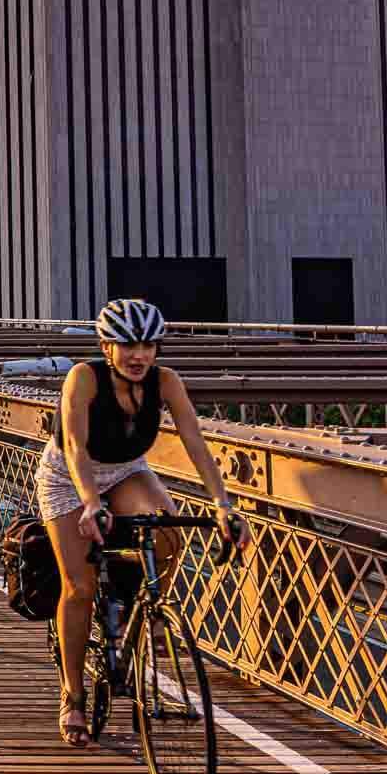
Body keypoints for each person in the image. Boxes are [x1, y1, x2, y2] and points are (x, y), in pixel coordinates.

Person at [40, 298, 243, 748]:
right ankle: (72, 694)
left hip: (128, 469)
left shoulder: (166, 382)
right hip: (70, 478)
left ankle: (138, 610)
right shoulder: (84, 377)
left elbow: (195, 442)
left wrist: (222, 503)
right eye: (127, 345)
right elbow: (75, 445)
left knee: (169, 530)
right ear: (105, 346)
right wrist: (91, 503)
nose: (139, 355)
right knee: (80, 587)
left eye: (149, 345)